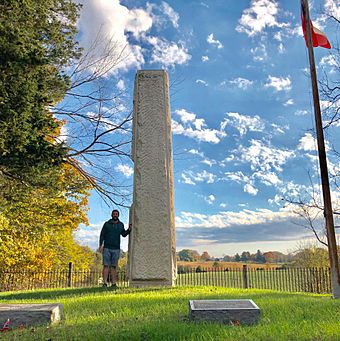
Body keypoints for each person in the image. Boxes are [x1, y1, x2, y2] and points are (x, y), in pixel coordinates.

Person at [98, 209, 131, 288]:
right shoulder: (106, 224)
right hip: (107, 248)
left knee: (113, 266)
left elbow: (123, 234)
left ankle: (113, 283)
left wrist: (129, 230)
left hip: (116, 248)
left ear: (118, 215)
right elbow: (102, 235)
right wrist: (101, 245)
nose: (115, 215)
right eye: (114, 214)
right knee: (106, 266)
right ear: (111, 215)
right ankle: (105, 283)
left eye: (116, 214)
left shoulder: (120, 225)